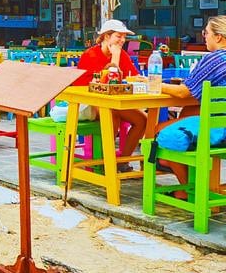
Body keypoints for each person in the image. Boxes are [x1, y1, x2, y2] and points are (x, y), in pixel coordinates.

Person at [158, 15, 226, 185]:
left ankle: (188, 189)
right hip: (219, 124)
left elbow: (183, 93)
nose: (205, 37)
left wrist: (152, 84)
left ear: (218, 37)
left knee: (157, 133)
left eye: (206, 33)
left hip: (219, 130)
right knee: (188, 117)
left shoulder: (215, 59)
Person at [74, 19, 146, 163]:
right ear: (106, 36)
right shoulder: (91, 55)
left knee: (142, 120)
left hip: (114, 102)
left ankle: (123, 161)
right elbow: (108, 82)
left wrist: (139, 79)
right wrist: (115, 57)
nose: (122, 40)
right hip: (89, 103)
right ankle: (106, 163)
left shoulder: (123, 55)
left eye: (124, 37)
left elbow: (132, 76)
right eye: (118, 36)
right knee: (111, 115)